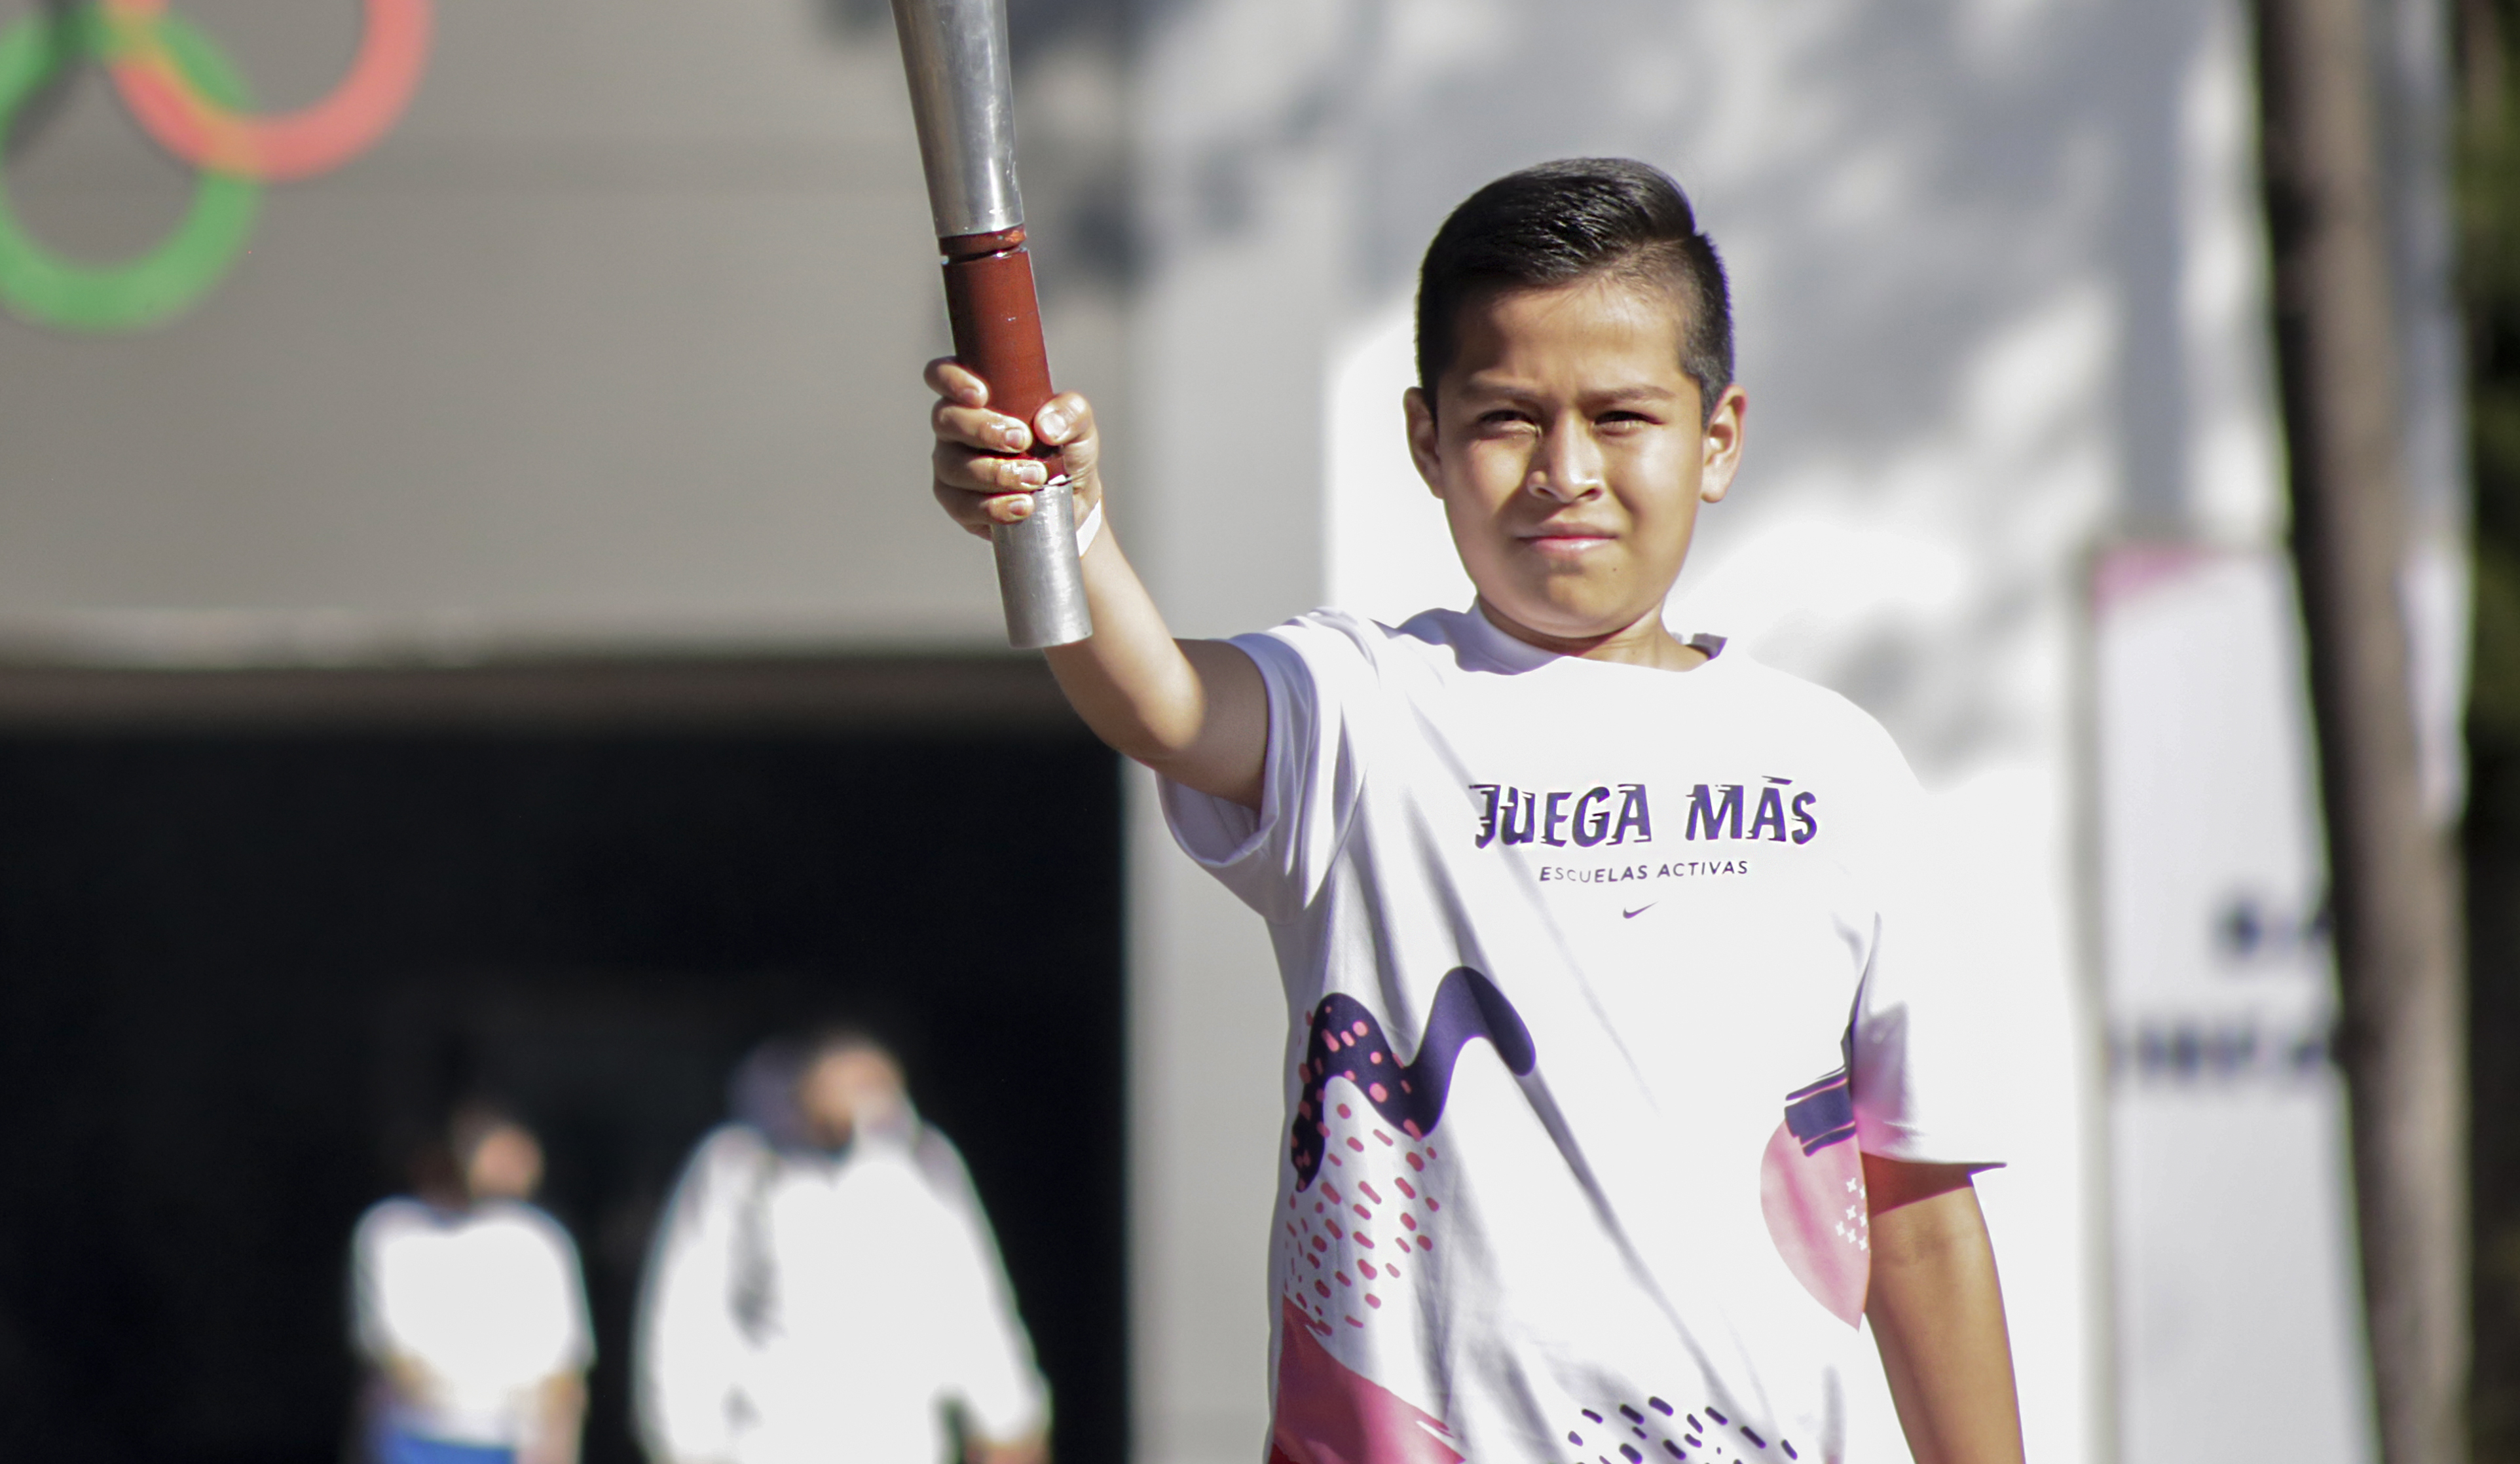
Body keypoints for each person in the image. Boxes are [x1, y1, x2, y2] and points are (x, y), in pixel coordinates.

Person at [927, 158, 2020, 1464]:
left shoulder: (1833, 769)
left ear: (1716, 436)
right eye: (1508, 419)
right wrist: (1058, 514)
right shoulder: (1364, 712)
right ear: (1427, 440)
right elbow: (1159, 699)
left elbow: (1918, 1208)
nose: (1566, 471)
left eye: (1622, 418)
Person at [634, 1029, 1049, 1464]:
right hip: (769, 1444)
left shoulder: (923, 1162)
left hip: (903, 1444)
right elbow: (687, 1311)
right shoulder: (737, 1164)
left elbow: (970, 1299)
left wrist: (1008, 1419)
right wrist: (685, 1445)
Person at [350, 1101, 593, 1464]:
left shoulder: (541, 1240)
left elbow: (565, 1374)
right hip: (417, 1440)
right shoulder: (392, 1232)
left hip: (514, 1446)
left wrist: (553, 1445)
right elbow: (393, 1357)